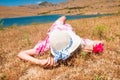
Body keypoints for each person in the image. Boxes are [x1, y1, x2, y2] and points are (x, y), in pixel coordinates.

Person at [17, 16, 104, 68]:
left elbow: (101, 42)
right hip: (55, 30)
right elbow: (21, 53)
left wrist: (93, 47)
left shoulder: (80, 42)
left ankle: (52, 26)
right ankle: (52, 27)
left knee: (62, 18)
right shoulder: (46, 46)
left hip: (62, 29)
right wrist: (39, 62)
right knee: (58, 22)